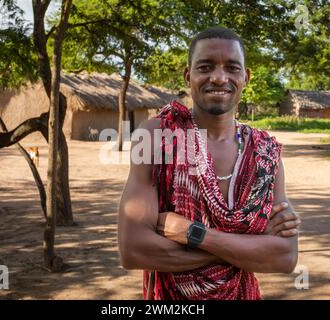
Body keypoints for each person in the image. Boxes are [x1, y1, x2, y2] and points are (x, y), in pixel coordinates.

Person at [118, 27, 300, 300]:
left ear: (245, 77)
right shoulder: (157, 136)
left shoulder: (264, 154)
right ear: (188, 75)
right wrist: (249, 245)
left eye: (232, 68)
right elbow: (133, 250)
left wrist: (195, 234)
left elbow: (284, 258)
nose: (218, 77)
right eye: (205, 67)